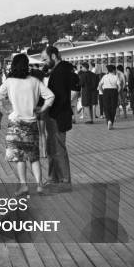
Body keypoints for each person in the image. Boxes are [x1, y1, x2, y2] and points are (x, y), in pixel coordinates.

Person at [0, 54, 54, 196]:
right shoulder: (34, 81)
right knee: (34, 156)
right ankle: (39, 185)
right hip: (31, 122)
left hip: (15, 123)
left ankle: (24, 185)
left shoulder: (9, 82)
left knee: (19, 157)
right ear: (26, 65)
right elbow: (50, 96)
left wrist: (5, 110)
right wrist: (42, 109)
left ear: (13, 65)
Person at [41, 46, 79, 187]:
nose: (44, 62)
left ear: (53, 56)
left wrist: (57, 109)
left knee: (58, 148)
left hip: (58, 115)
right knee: (51, 148)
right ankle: (53, 177)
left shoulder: (62, 71)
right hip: (54, 114)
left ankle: (64, 180)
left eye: (45, 59)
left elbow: (68, 92)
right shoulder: (59, 70)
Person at [98, 65, 122, 130]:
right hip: (114, 91)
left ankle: (108, 120)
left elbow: (100, 85)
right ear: (113, 70)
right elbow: (119, 87)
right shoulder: (116, 77)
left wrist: (103, 92)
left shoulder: (104, 76)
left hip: (106, 91)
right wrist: (117, 92)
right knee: (113, 107)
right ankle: (111, 122)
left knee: (106, 107)